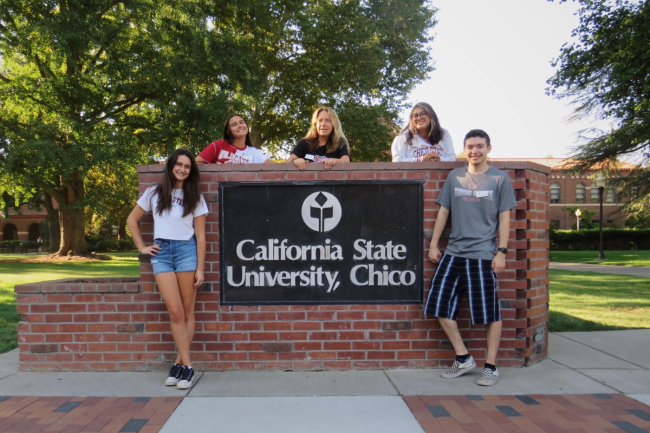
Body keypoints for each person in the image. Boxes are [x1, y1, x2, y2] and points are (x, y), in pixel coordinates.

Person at [425, 129, 516, 386]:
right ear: (464, 149)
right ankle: (463, 357)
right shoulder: (455, 177)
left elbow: (505, 218)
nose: (474, 151)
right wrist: (434, 244)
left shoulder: (499, 179)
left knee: (489, 313)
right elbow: (443, 213)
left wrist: (502, 252)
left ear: (488, 148)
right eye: (470, 146)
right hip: (453, 253)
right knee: (438, 304)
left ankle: (491, 366)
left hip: (483, 255)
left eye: (479, 146)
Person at [127, 148, 208, 390]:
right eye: (179, 164)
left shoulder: (195, 196)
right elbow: (132, 220)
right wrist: (142, 246)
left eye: (187, 166)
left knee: (186, 310)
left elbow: (201, 236)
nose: (183, 169)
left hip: (186, 252)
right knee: (174, 311)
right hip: (162, 253)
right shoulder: (154, 192)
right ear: (171, 165)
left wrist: (200, 268)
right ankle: (187, 365)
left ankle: (182, 366)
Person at [286, 106, 351, 170]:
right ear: (315, 124)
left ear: (333, 124)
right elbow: (289, 160)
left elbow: (346, 161)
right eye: (320, 120)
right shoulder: (304, 142)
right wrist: (296, 160)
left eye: (328, 120)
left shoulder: (339, 143)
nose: (323, 124)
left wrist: (333, 161)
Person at [391, 102, 456, 162]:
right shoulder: (403, 136)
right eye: (415, 115)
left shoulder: (444, 134)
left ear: (431, 115)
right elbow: (397, 161)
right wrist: (421, 160)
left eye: (423, 114)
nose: (419, 118)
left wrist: (440, 159)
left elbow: (452, 159)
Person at [196, 114, 272, 164]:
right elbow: (197, 163)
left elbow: (270, 166)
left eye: (241, 122)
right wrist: (220, 169)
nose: (239, 126)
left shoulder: (254, 152)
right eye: (234, 124)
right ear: (228, 132)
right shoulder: (218, 145)